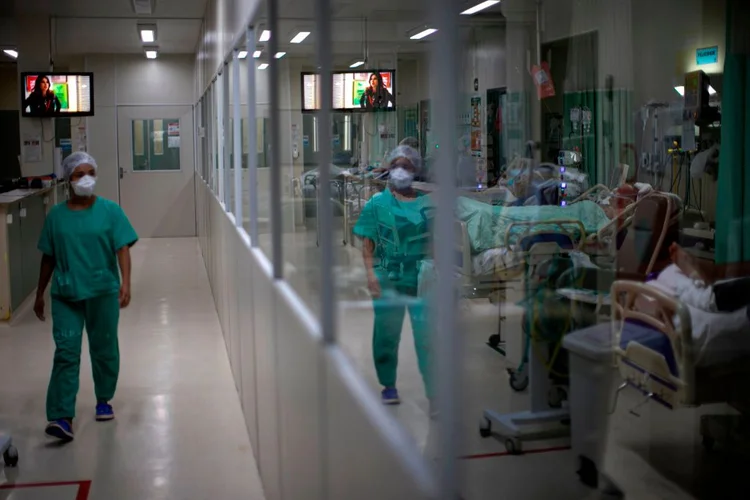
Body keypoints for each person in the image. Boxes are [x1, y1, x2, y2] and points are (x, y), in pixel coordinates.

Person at [34, 152, 138, 442]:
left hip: (102, 291)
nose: (85, 178)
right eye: (79, 174)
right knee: (66, 352)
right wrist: (40, 292)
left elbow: (123, 248)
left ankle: (104, 399)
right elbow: (48, 256)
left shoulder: (110, 211)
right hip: (66, 293)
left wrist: (126, 282)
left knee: (104, 348)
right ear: (68, 179)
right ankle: (61, 416)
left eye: (90, 172)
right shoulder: (56, 216)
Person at [353, 145, 433, 407]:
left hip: (420, 276)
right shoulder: (378, 203)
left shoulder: (425, 203)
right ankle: (388, 385)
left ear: (416, 170)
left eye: (407, 166)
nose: (401, 171)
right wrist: (371, 276)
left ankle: (435, 394)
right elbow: (368, 244)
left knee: (427, 337)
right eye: (396, 165)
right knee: (387, 333)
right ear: (388, 168)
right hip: (387, 275)